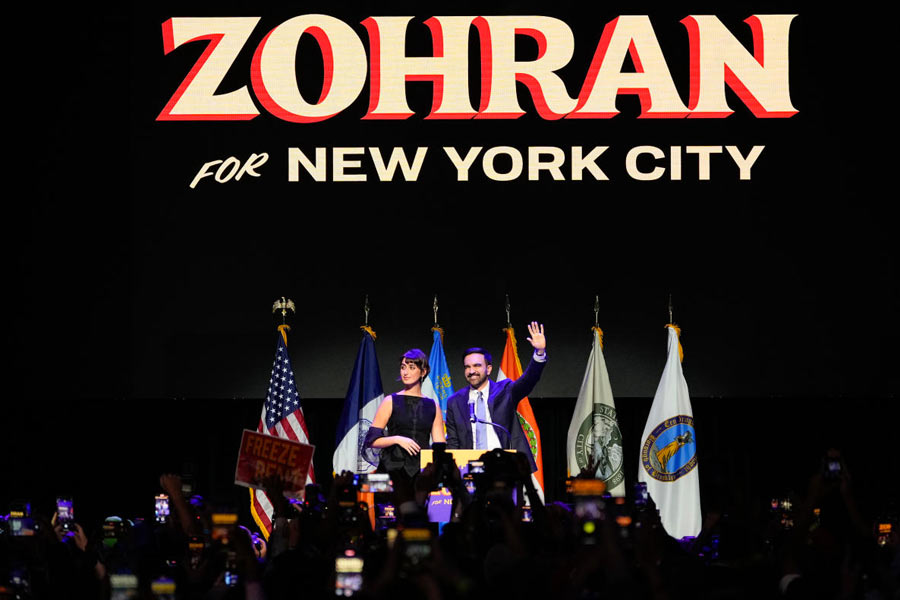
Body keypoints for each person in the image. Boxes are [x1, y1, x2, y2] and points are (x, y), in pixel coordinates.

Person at [445, 321, 547, 472]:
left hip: (505, 465)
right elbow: (453, 442)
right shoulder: (455, 401)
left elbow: (528, 380)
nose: (471, 371)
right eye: (467, 367)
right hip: (470, 468)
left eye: (477, 366)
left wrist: (539, 353)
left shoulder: (505, 390)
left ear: (489, 369)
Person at [363, 349, 446, 479]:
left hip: (421, 471)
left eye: (411, 367)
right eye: (403, 367)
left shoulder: (433, 406)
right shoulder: (390, 401)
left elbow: (439, 446)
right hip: (392, 468)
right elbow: (371, 441)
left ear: (423, 372)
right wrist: (397, 439)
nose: (405, 372)